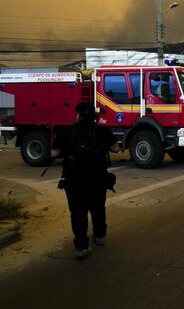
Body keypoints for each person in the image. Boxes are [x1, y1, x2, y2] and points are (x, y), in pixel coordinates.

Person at [51, 102, 120, 259]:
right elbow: (116, 148)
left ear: (78, 115)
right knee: (98, 208)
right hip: (98, 178)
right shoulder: (103, 131)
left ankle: (81, 246)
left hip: (74, 179)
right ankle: (100, 236)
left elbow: (54, 154)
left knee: (77, 212)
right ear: (94, 116)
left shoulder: (66, 132)